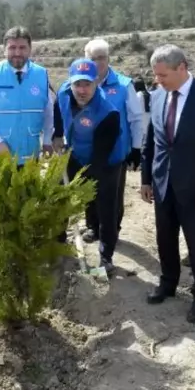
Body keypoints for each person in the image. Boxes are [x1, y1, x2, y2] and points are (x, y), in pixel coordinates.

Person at [141, 44, 195, 323]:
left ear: (182, 68)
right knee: (164, 239)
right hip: (162, 183)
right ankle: (168, 283)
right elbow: (150, 141)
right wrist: (146, 178)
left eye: (163, 75)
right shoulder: (156, 96)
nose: (158, 80)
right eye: (155, 75)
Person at [55, 58, 127, 274]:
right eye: (77, 84)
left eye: (87, 84)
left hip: (106, 160)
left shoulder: (108, 112)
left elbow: (99, 158)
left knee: (105, 206)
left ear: (97, 82)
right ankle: (57, 243)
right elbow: (58, 113)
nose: (82, 90)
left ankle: (106, 258)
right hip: (75, 151)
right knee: (59, 194)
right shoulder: (63, 93)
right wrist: (57, 134)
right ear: (70, 83)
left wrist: (86, 184)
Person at [82, 38, 144, 242]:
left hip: (115, 152)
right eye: (93, 58)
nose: (98, 63)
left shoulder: (124, 85)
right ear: (86, 59)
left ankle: (112, 228)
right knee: (88, 190)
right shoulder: (79, 85)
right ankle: (93, 226)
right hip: (86, 151)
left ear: (108, 59)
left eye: (102, 58)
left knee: (113, 194)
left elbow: (136, 118)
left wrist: (136, 148)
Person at [0, 26, 54, 167]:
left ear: (30, 49)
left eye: (22, 47)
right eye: (12, 48)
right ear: (4, 50)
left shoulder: (41, 74)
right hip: (0, 156)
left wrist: (47, 140)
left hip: (30, 156)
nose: (17, 52)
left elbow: (48, 112)